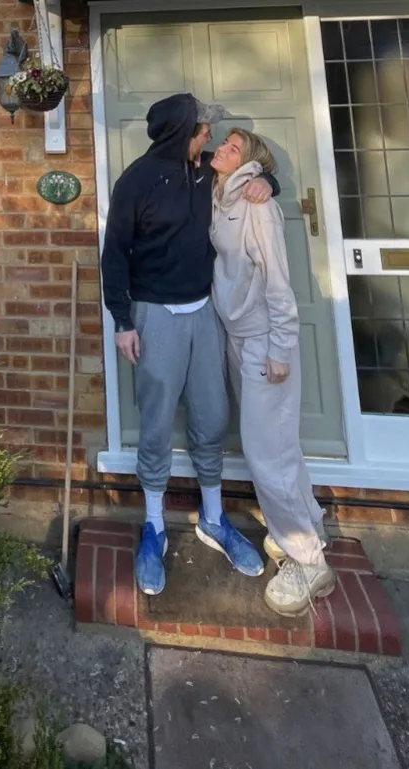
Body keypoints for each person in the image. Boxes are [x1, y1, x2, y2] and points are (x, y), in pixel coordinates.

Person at [101, 93, 276, 597]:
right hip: (154, 315)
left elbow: (254, 174)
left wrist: (268, 180)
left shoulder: (205, 172)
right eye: (203, 130)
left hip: (205, 313)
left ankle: (215, 518)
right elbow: (115, 256)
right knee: (155, 421)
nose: (209, 138)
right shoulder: (134, 182)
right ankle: (153, 525)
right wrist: (122, 321)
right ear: (182, 133)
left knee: (211, 414)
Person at [209, 127, 334, 616]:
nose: (221, 148)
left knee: (267, 454)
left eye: (234, 148)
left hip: (265, 342)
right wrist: (258, 173)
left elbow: (278, 281)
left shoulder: (257, 206)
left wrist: (281, 345)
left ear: (251, 161)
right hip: (240, 337)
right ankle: (309, 527)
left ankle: (308, 562)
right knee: (277, 445)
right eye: (223, 143)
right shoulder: (220, 194)